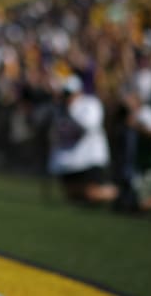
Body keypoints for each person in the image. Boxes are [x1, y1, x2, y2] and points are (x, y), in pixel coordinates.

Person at [47, 74, 118, 204]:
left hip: (89, 157)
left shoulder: (90, 104)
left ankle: (121, 194)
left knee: (91, 193)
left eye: (70, 94)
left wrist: (71, 110)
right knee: (72, 194)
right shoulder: (60, 109)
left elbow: (89, 125)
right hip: (70, 159)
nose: (68, 97)